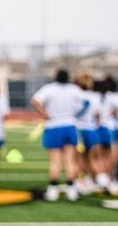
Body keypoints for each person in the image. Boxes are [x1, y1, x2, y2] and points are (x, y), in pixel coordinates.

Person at [29, 69, 85, 201]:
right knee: (70, 160)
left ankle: (53, 190)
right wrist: (75, 113)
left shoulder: (49, 88)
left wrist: (44, 114)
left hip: (54, 125)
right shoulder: (74, 89)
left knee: (55, 160)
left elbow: (34, 101)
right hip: (69, 125)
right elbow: (85, 103)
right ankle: (72, 191)